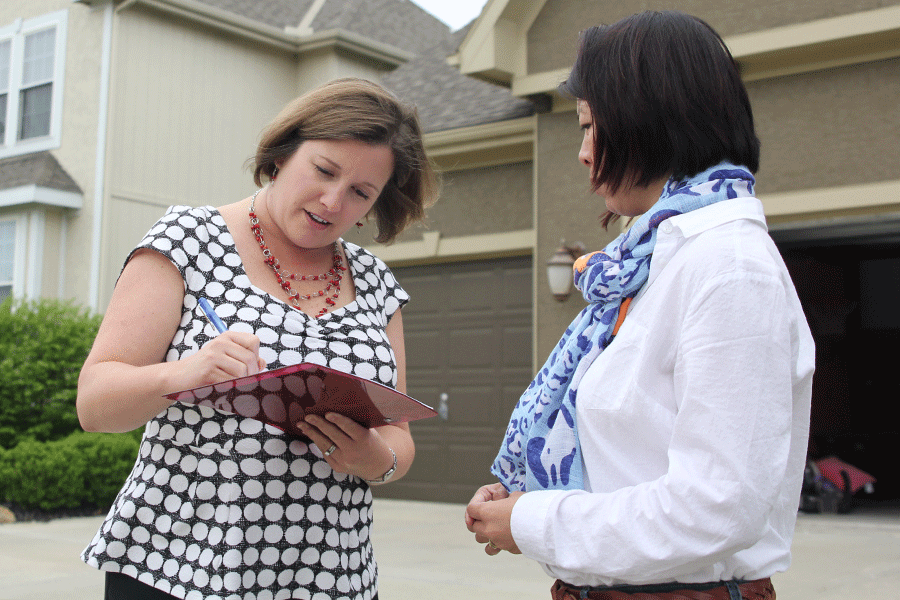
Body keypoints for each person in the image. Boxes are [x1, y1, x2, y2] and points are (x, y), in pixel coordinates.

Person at [465, 11, 814, 600]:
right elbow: (628, 452)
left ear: (648, 121)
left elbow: (717, 507)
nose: (582, 153)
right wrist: (526, 499)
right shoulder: (650, 264)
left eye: (590, 127)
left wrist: (534, 521)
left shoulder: (729, 268)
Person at [77, 77, 438, 600]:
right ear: (283, 153)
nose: (333, 201)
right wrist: (183, 374)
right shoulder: (189, 240)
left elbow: (399, 435)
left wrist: (374, 459)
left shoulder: (376, 283)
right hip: (180, 569)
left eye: (361, 192)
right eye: (323, 170)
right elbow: (95, 404)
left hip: (329, 577)